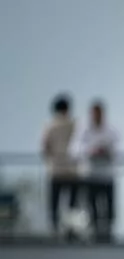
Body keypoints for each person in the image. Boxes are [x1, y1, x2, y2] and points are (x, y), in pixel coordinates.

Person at [79, 100, 118, 242]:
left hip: (107, 175)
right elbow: (75, 149)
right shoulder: (84, 131)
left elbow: (119, 151)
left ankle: (108, 233)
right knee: (92, 206)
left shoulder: (111, 131)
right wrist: (91, 151)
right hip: (91, 174)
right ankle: (94, 232)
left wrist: (107, 152)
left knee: (109, 207)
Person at [42, 93, 77, 236]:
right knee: (72, 205)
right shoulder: (74, 124)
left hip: (55, 170)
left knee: (54, 204)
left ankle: (55, 231)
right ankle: (71, 231)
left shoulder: (50, 126)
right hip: (72, 170)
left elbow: (45, 147)